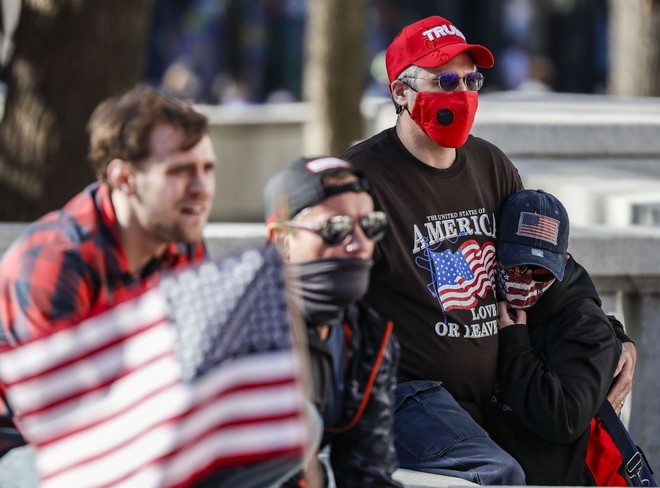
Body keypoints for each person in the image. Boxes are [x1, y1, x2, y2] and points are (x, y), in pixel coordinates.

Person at [340, 14, 636, 484]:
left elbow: (547, 266)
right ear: (400, 92)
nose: (460, 93)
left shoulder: (490, 165)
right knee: (496, 474)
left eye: (470, 79)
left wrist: (611, 336)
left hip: (495, 393)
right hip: (405, 396)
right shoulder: (358, 179)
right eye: (444, 80)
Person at [0, 86, 301, 487]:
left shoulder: (179, 241)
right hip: (29, 454)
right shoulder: (54, 262)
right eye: (179, 171)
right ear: (124, 178)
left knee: (292, 435)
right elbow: (60, 430)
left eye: (207, 168)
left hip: (134, 435)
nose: (202, 188)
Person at [264, 156, 402, 487]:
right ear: (281, 240)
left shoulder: (368, 336)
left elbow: (367, 473)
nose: (358, 244)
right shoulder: (248, 334)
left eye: (370, 226)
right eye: (334, 228)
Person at [489, 189, 621, 485]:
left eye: (541, 273)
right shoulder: (485, 290)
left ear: (564, 261)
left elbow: (564, 418)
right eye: (519, 267)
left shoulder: (587, 328)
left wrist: (515, 343)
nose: (527, 281)